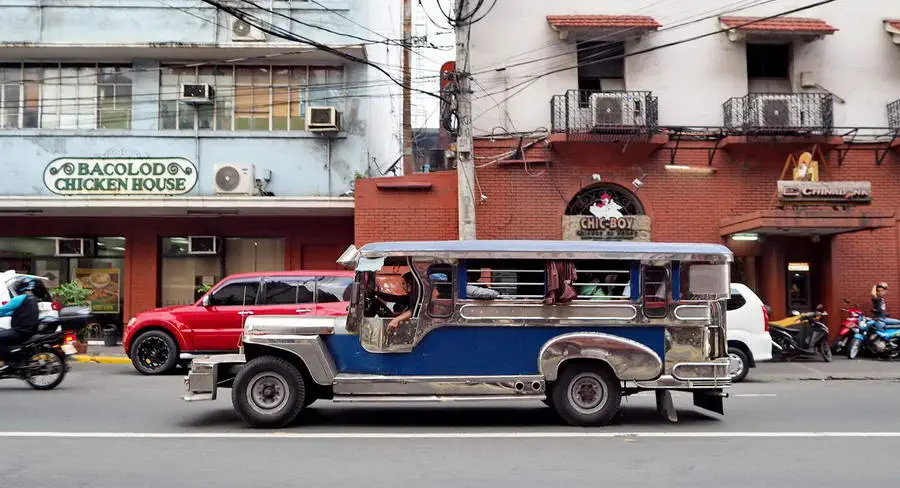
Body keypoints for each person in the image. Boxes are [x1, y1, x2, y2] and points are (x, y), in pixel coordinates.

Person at [0, 277, 42, 372]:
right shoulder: (33, 298)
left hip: (20, 331)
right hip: (29, 331)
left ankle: (4, 362)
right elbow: (15, 312)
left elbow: (4, 309)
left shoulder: (20, 298)